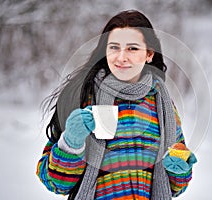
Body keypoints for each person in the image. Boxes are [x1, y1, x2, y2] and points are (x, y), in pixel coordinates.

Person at [36, 10, 197, 200]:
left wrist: (180, 170)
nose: (121, 57)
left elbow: (175, 188)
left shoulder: (162, 104)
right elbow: (55, 183)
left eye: (132, 48)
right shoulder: (84, 97)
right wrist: (70, 144)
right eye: (114, 47)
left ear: (149, 54)